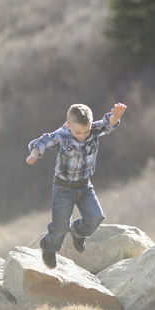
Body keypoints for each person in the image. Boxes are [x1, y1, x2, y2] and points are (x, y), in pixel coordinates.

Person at [26, 101, 127, 269]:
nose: (83, 135)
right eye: (78, 132)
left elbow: (107, 125)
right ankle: (48, 248)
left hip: (85, 187)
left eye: (86, 131)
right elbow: (42, 142)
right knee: (60, 228)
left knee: (96, 217)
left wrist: (115, 116)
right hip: (63, 188)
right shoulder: (62, 135)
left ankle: (79, 233)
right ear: (68, 125)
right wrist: (34, 155)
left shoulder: (92, 131)